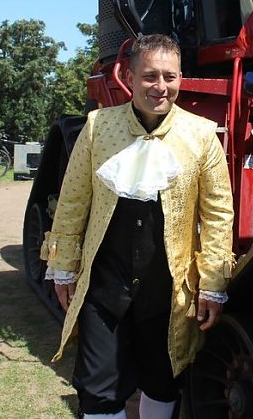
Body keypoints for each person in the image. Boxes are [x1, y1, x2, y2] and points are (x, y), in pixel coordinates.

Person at [42, 34, 235, 419]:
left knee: (162, 380)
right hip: (104, 284)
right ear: (129, 78)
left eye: (169, 76)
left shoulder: (201, 135)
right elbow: (73, 200)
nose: (160, 87)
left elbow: (217, 214)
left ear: (181, 77)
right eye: (149, 76)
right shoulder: (98, 127)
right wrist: (63, 267)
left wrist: (212, 285)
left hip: (168, 289)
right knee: (98, 388)